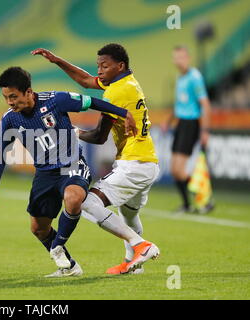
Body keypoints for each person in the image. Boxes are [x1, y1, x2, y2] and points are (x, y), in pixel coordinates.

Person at [0, 66, 142, 277]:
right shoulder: (10, 119)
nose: (10, 102)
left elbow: (92, 102)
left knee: (73, 197)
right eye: (6, 98)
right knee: (39, 229)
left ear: (28, 92)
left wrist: (125, 113)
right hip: (44, 174)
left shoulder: (56, 100)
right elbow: (0, 153)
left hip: (72, 165)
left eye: (13, 97)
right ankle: (69, 267)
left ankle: (58, 246)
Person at [32, 43, 160, 275]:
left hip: (133, 163)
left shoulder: (116, 92)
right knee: (129, 214)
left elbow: (100, 137)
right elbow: (86, 80)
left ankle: (142, 245)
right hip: (147, 161)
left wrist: (75, 132)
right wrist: (57, 60)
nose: (99, 70)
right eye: (98, 65)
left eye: (105, 66)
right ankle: (133, 264)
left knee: (88, 203)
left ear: (120, 66)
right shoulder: (126, 82)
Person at [161, 46, 213, 213]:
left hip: (191, 124)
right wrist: (168, 121)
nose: (179, 61)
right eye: (176, 57)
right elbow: (179, 105)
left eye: (182, 57)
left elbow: (205, 104)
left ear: (188, 58)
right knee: (174, 170)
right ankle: (187, 205)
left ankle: (205, 198)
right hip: (180, 123)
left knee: (179, 169)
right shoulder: (179, 78)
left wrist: (205, 130)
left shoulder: (195, 77)